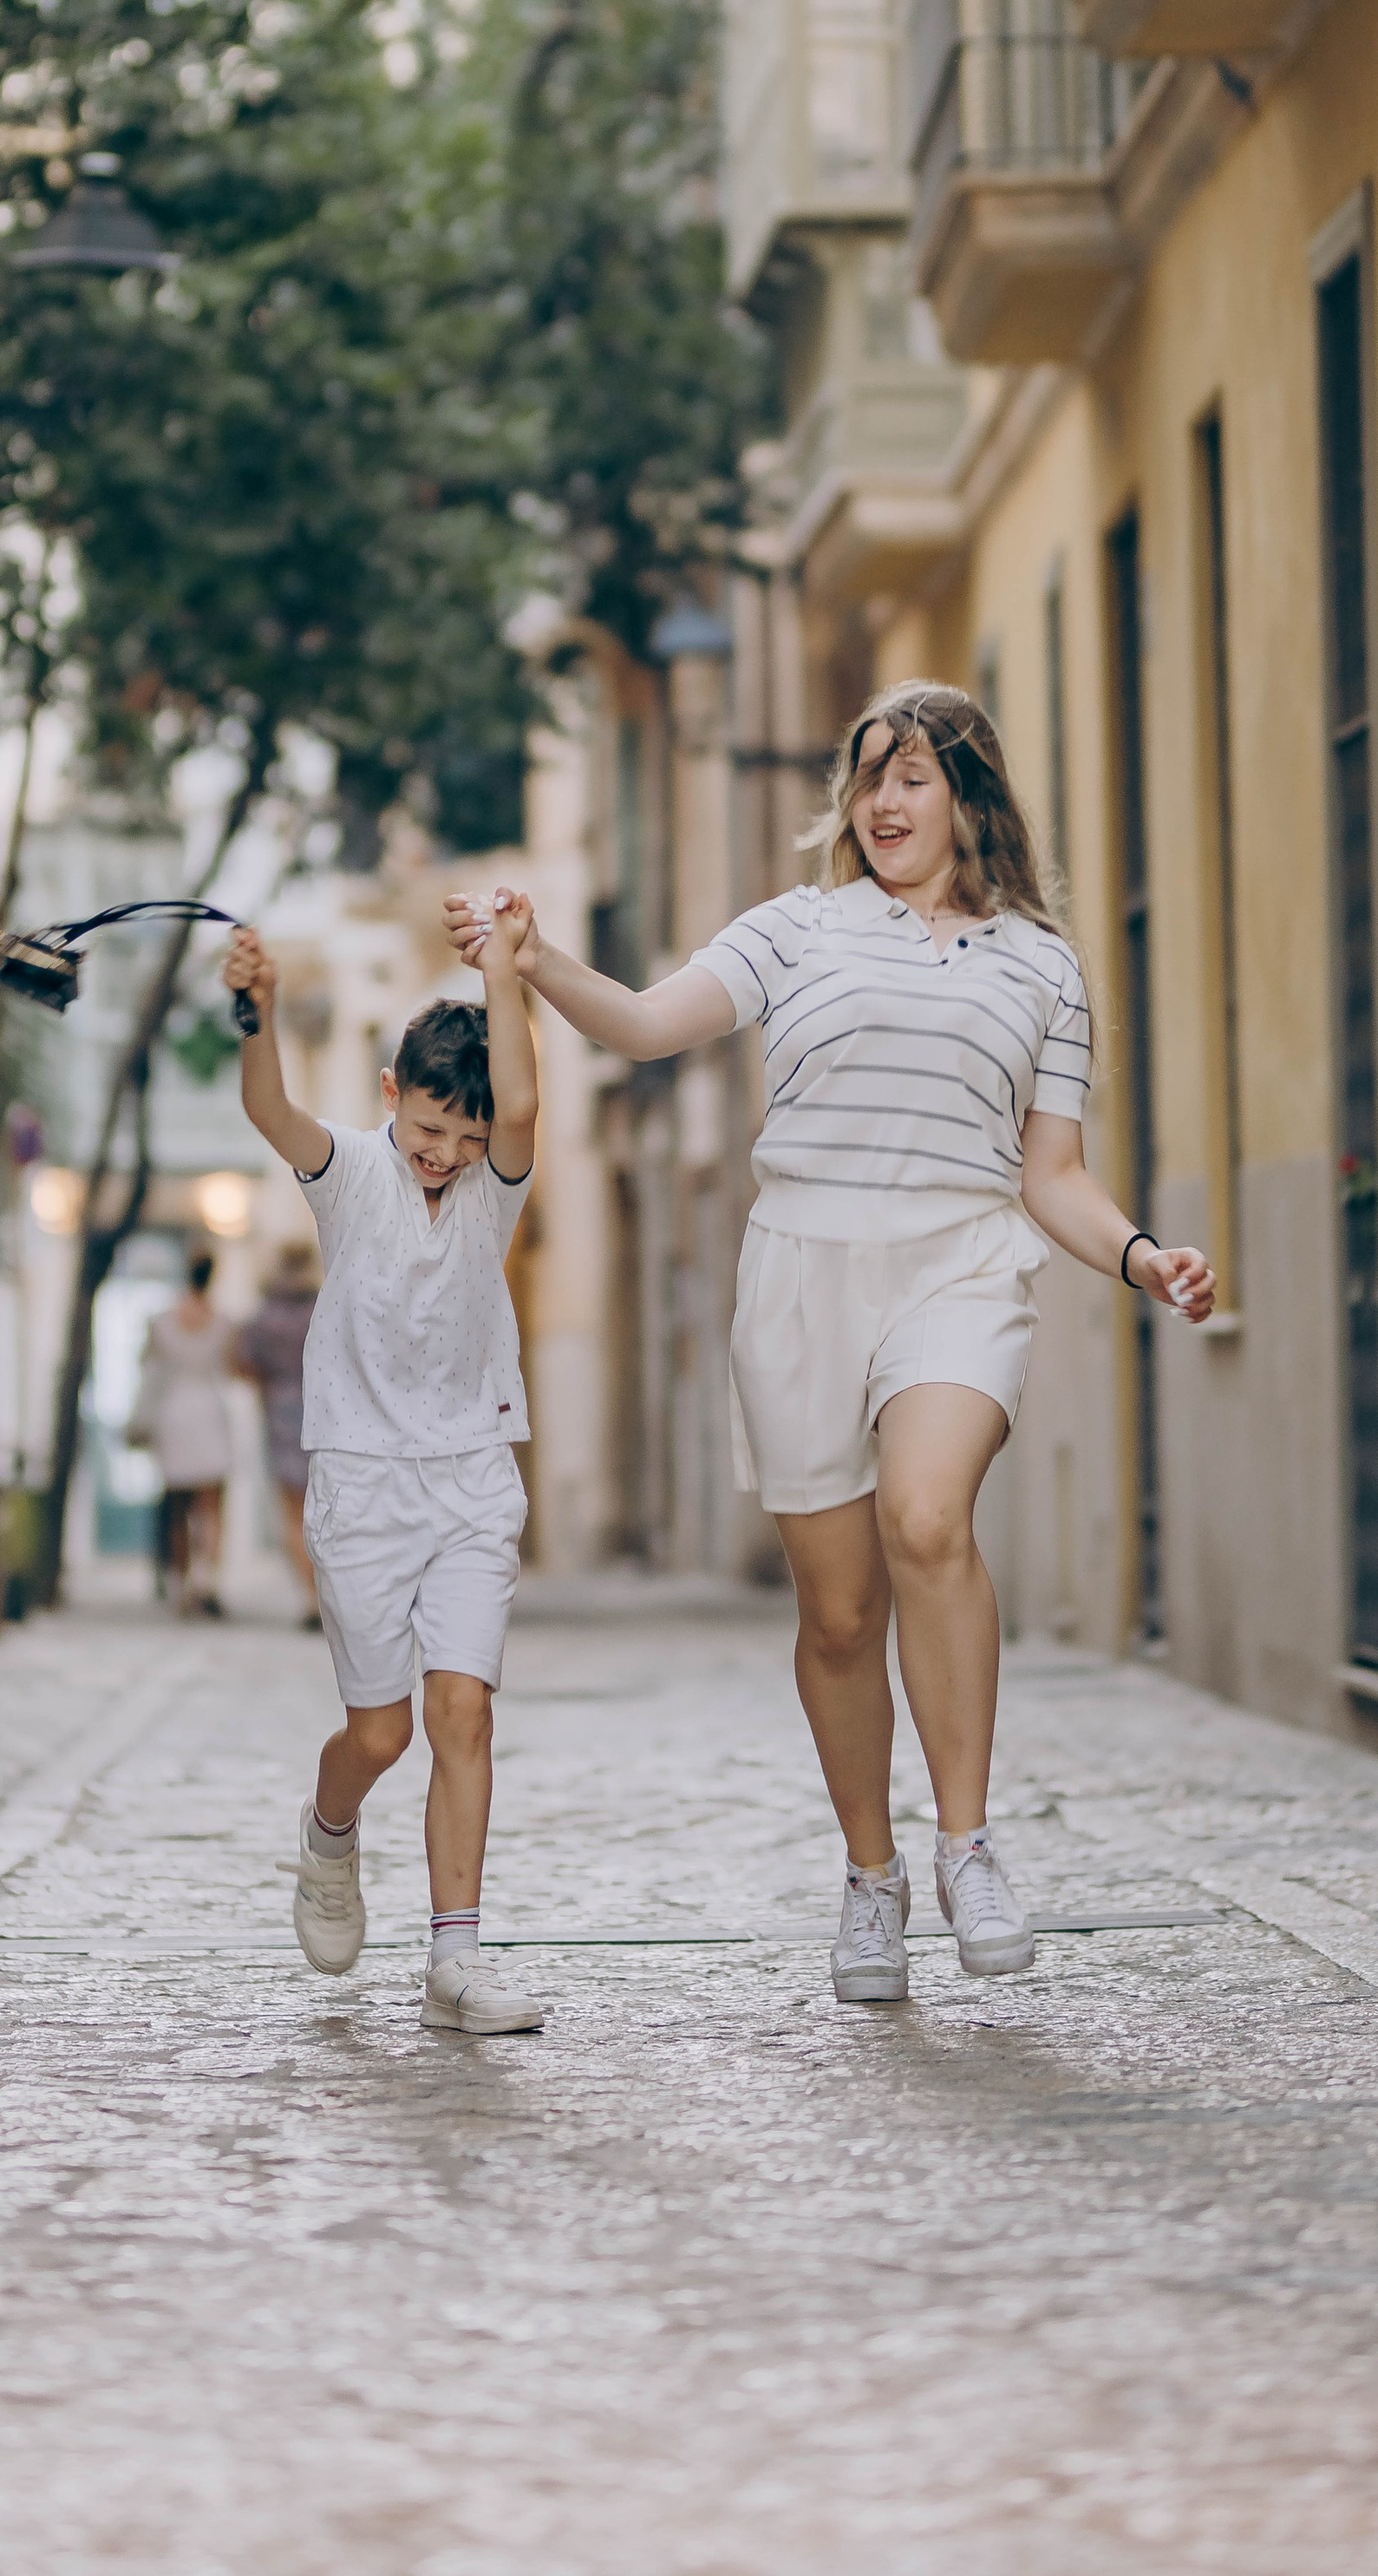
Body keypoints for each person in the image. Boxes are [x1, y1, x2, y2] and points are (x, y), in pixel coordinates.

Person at [445, 679, 1215, 2010]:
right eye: (869, 779)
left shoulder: (1044, 965)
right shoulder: (796, 930)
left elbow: (1054, 1171)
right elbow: (639, 1023)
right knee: (842, 1614)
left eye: (912, 775)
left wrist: (1142, 1253)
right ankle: (873, 1877)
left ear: (969, 793)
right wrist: (532, 959)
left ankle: (966, 1843)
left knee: (929, 1520)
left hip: (961, 1262)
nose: (884, 802)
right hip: (802, 1270)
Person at [224, 910, 545, 2038]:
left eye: (465, 1133)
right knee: (383, 1733)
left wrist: (504, 972)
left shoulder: (496, 1187)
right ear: (390, 1091)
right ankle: (329, 1833)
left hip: (470, 1477)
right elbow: (269, 1109)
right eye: (428, 1124)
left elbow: (528, 1100)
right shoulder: (350, 1171)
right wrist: (255, 1011)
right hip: (360, 1482)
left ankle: (453, 1962)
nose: (444, 1151)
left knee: (463, 1713)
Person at [133, 1253, 238, 1618]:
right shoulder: (223, 1322)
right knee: (212, 1507)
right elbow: (231, 1367)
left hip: (173, 1414)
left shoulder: (162, 1322)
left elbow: (146, 1365)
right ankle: (206, 1581)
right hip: (208, 1411)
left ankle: (181, 1584)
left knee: (177, 1506)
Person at [235, 1237, 324, 1625]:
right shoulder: (325, 1308)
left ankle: (309, 1597)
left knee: (292, 1511)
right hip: (327, 1414)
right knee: (327, 1509)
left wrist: (271, 1386)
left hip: (280, 1412)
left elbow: (243, 1362)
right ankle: (326, 1592)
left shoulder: (264, 1314)